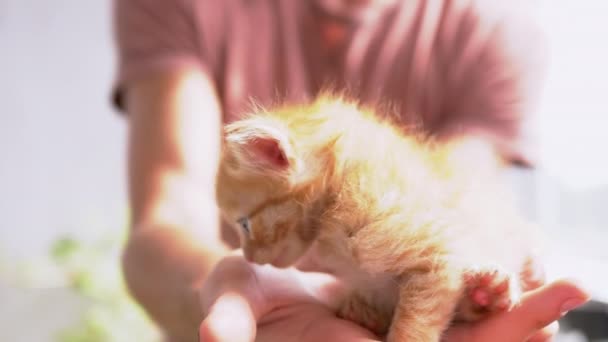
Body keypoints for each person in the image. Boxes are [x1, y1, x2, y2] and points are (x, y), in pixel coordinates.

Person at [112, 0, 590, 341]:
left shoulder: (493, 24)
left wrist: (484, 265)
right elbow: (169, 208)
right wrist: (219, 286)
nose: (250, 252)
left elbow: (457, 198)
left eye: (246, 228)